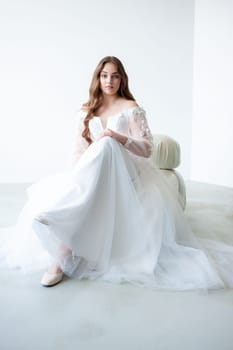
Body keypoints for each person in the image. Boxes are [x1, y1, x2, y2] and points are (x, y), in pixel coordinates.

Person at [1, 56, 233, 290]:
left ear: (122, 79)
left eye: (114, 75)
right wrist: (76, 179)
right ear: (97, 78)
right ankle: (64, 243)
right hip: (94, 174)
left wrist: (117, 136)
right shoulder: (87, 110)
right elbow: (78, 153)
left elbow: (147, 149)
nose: (109, 80)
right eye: (104, 75)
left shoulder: (131, 108)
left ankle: (62, 246)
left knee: (106, 144)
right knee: (98, 149)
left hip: (127, 172)